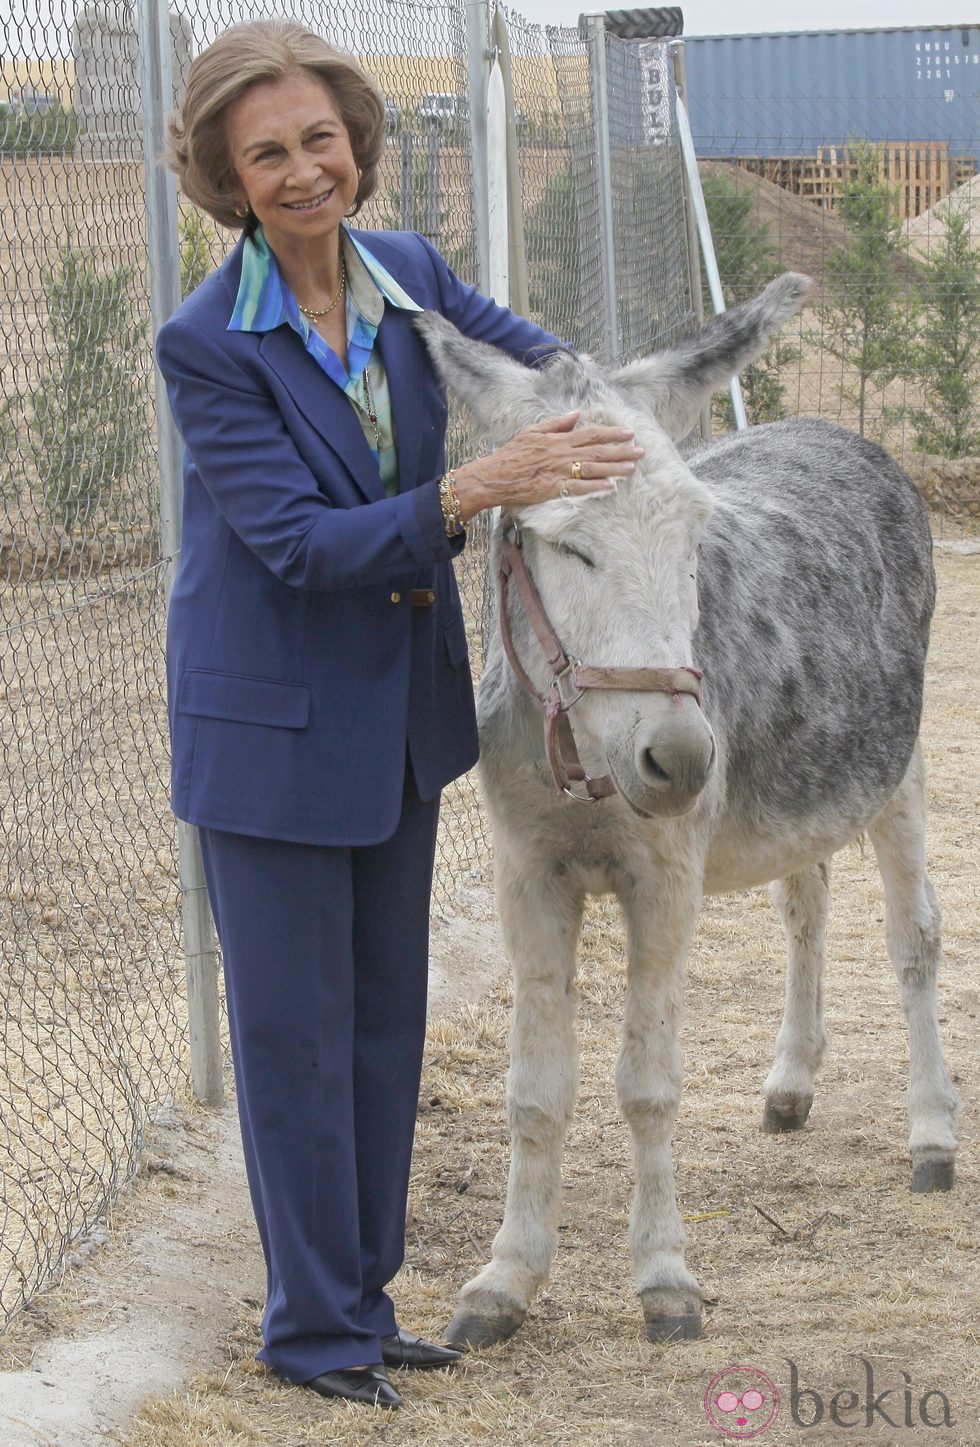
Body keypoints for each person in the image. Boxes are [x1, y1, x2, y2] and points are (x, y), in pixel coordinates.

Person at [156, 18, 642, 1412]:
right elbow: (304, 545)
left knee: (379, 1029)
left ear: (358, 145)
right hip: (272, 733)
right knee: (295, 1043)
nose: (305, 170)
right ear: (228, 178)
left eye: (321, 139)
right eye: (269, 153)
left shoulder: (406, 271)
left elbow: (539, 362)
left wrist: (617, 413)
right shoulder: (209, 344)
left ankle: (363, 1306)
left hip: (396, 722)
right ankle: (309, 1336)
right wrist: (484, 485)